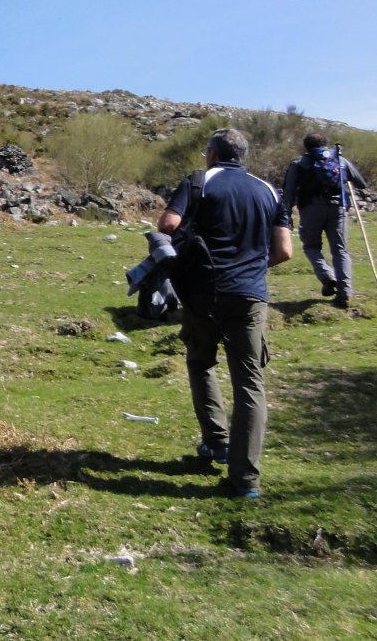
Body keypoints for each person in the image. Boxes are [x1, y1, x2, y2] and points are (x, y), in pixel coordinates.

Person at [158, 128, 293, 499]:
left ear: (213, 154)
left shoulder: (200, 181)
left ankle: (216, 442)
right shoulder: (269, 191)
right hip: (250, 295)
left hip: (204, 293)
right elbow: (284, 251)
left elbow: (168, 224)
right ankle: (245, 478)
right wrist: (251, 267)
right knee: (250, 382)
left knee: (201, 363)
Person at [281, 132, 367, 308]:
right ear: (325, 143)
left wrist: (286, 214)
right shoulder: (340, 160)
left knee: (311, 246)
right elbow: (362, 184)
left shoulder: (299, 164)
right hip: (338, 208)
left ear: (306, 146)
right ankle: (345, 293)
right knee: (340, 250)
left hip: (310, 208)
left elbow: (289, 192)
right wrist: (345, 176)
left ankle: (327, 275)